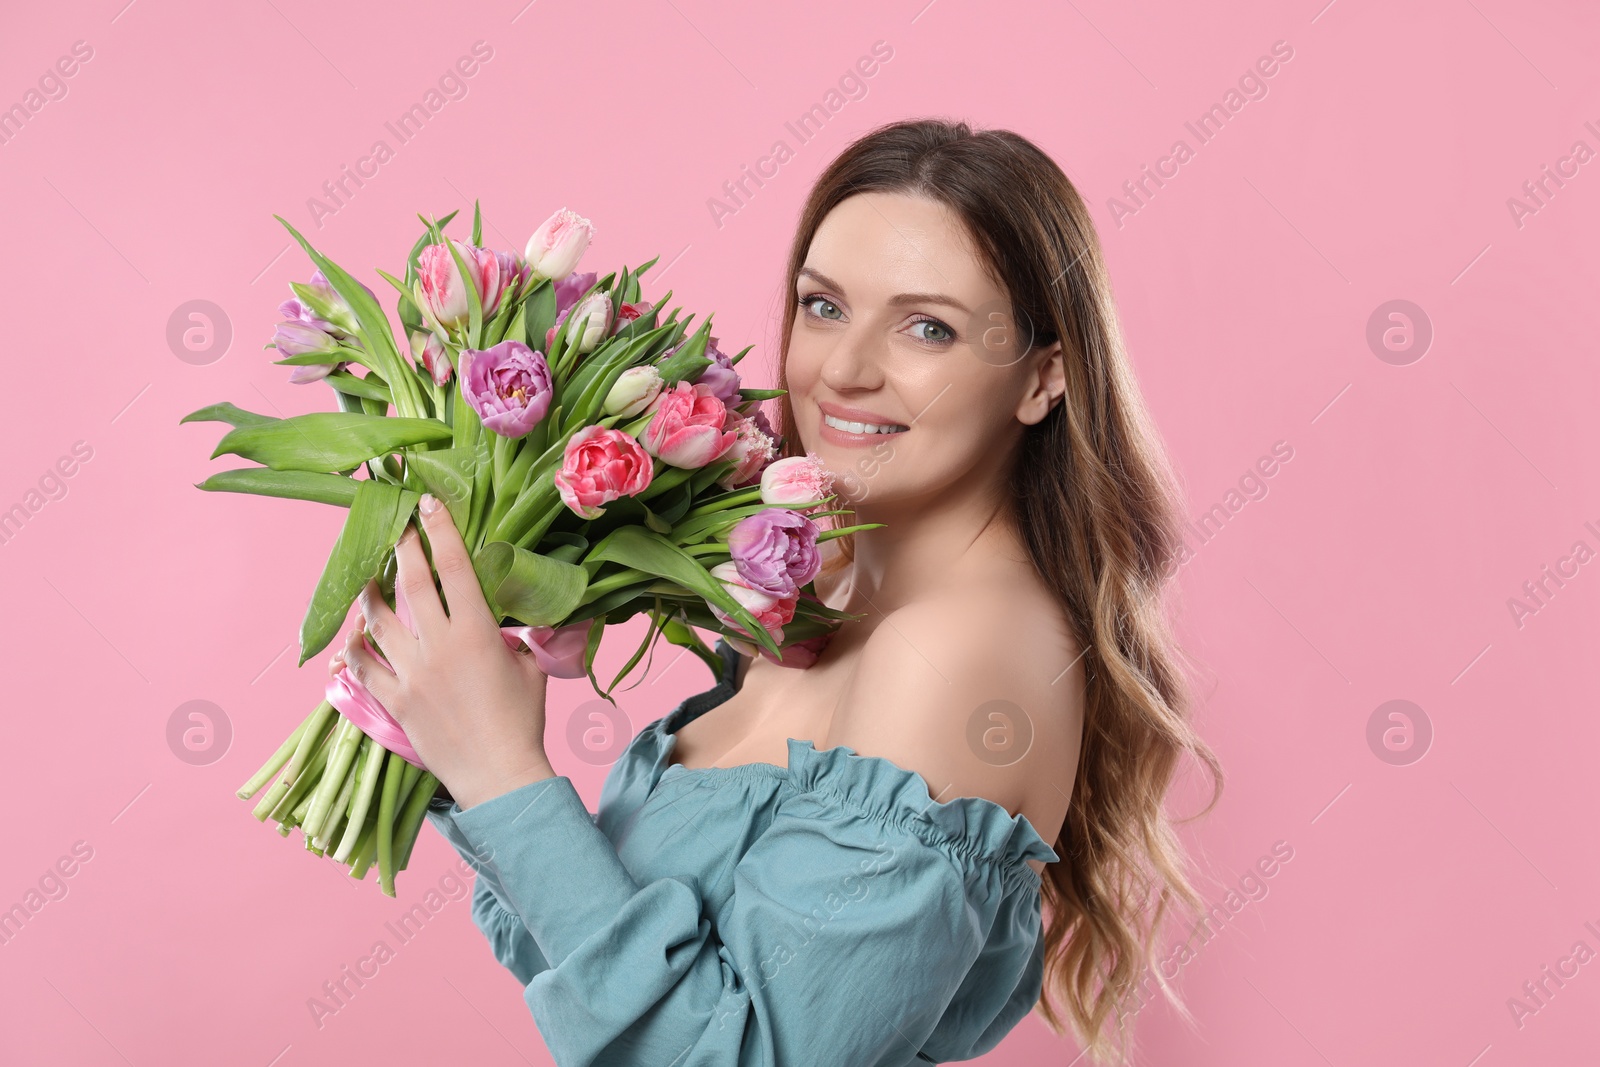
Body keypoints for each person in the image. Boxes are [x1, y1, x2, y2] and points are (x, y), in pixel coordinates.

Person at [329, 117, 1223, 1066]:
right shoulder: (813, 592)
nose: (842, 369)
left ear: (1043, 377)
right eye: (824, 306)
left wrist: (505, 772)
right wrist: (457, 709)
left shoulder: (964, 656)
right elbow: (599, 979)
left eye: (928, 327)